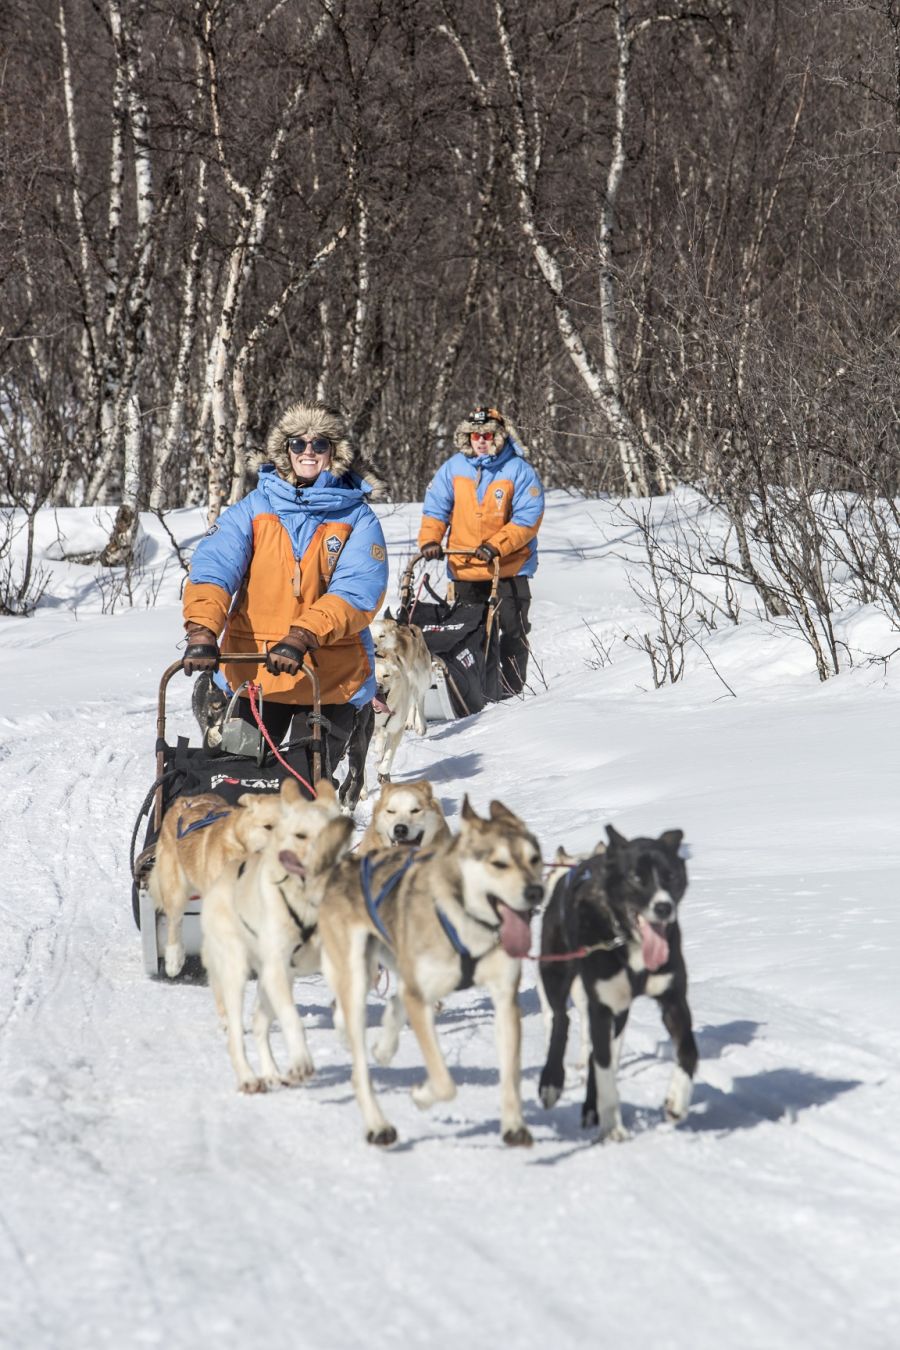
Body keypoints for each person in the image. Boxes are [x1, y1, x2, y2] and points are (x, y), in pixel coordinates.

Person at [181, 399, 388, 785]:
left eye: (320, 444)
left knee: (305, 791)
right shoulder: (254, 508)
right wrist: (203, 629)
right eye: (297, 443)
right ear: (284, 450)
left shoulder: (356, 518)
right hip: (252, 674)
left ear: (336, 453)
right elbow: (215, 567)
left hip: (328, 677)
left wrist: (301, 634)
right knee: (239, 788)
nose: (308, 452)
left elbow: (358, 591)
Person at [417, 405, 544, 696]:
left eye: (487, 434)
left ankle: (510, 691)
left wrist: (495, 546)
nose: (481, 440)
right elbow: (436, 508)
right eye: (475, 435)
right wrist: (430, 540)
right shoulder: (453, 468)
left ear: (499, 436)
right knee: (468, 634)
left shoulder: (518, 470)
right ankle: (472, 689)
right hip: (464, 567)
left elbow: (527, 519)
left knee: (512, 631)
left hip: (509, 568)